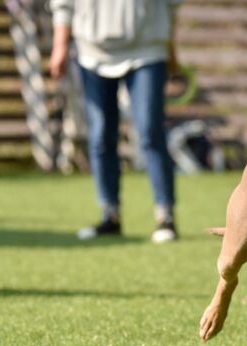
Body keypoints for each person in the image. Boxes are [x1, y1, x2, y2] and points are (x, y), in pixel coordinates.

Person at [50, 0, 183, 243]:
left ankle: (165, 217)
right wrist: (60, 45)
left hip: (148, 49)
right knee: (101, 136)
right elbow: (63, 4)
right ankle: (110, 215)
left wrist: (171, 47)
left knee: (150, 132)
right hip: (92, 53)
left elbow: (172, 5)